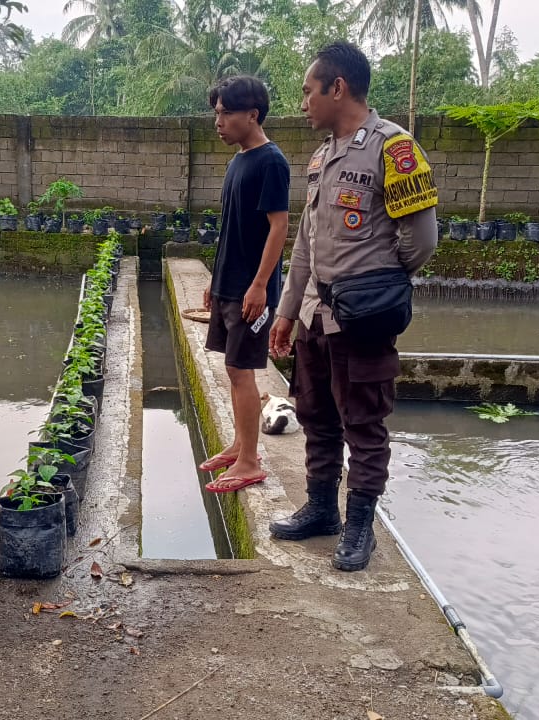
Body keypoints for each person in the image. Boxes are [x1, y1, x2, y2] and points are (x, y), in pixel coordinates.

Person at [268, 42, 438, 572]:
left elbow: (421, 241)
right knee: (316, 414)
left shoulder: (395, 149)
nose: (303, 103)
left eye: (307, 91)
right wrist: (287, 310)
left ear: (336, 87)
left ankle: (359, 525)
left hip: (361, 319)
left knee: (364, 423)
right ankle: (321, 509)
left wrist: (377, 283)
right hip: (317, 315)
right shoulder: (322, 156)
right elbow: (305, 242)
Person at [199, 75, 291, 494]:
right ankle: (240, 445)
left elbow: (278, 228)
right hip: (229, 284)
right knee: (232, 368)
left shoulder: (271, 162)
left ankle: (251, 461)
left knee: (241, 369)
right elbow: (230, 230)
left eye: (226, 113)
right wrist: (216, 283)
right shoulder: (238, 162)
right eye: (216, 113)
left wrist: (259, 286)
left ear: (252, 115)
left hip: (252, 290)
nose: (218, 122)